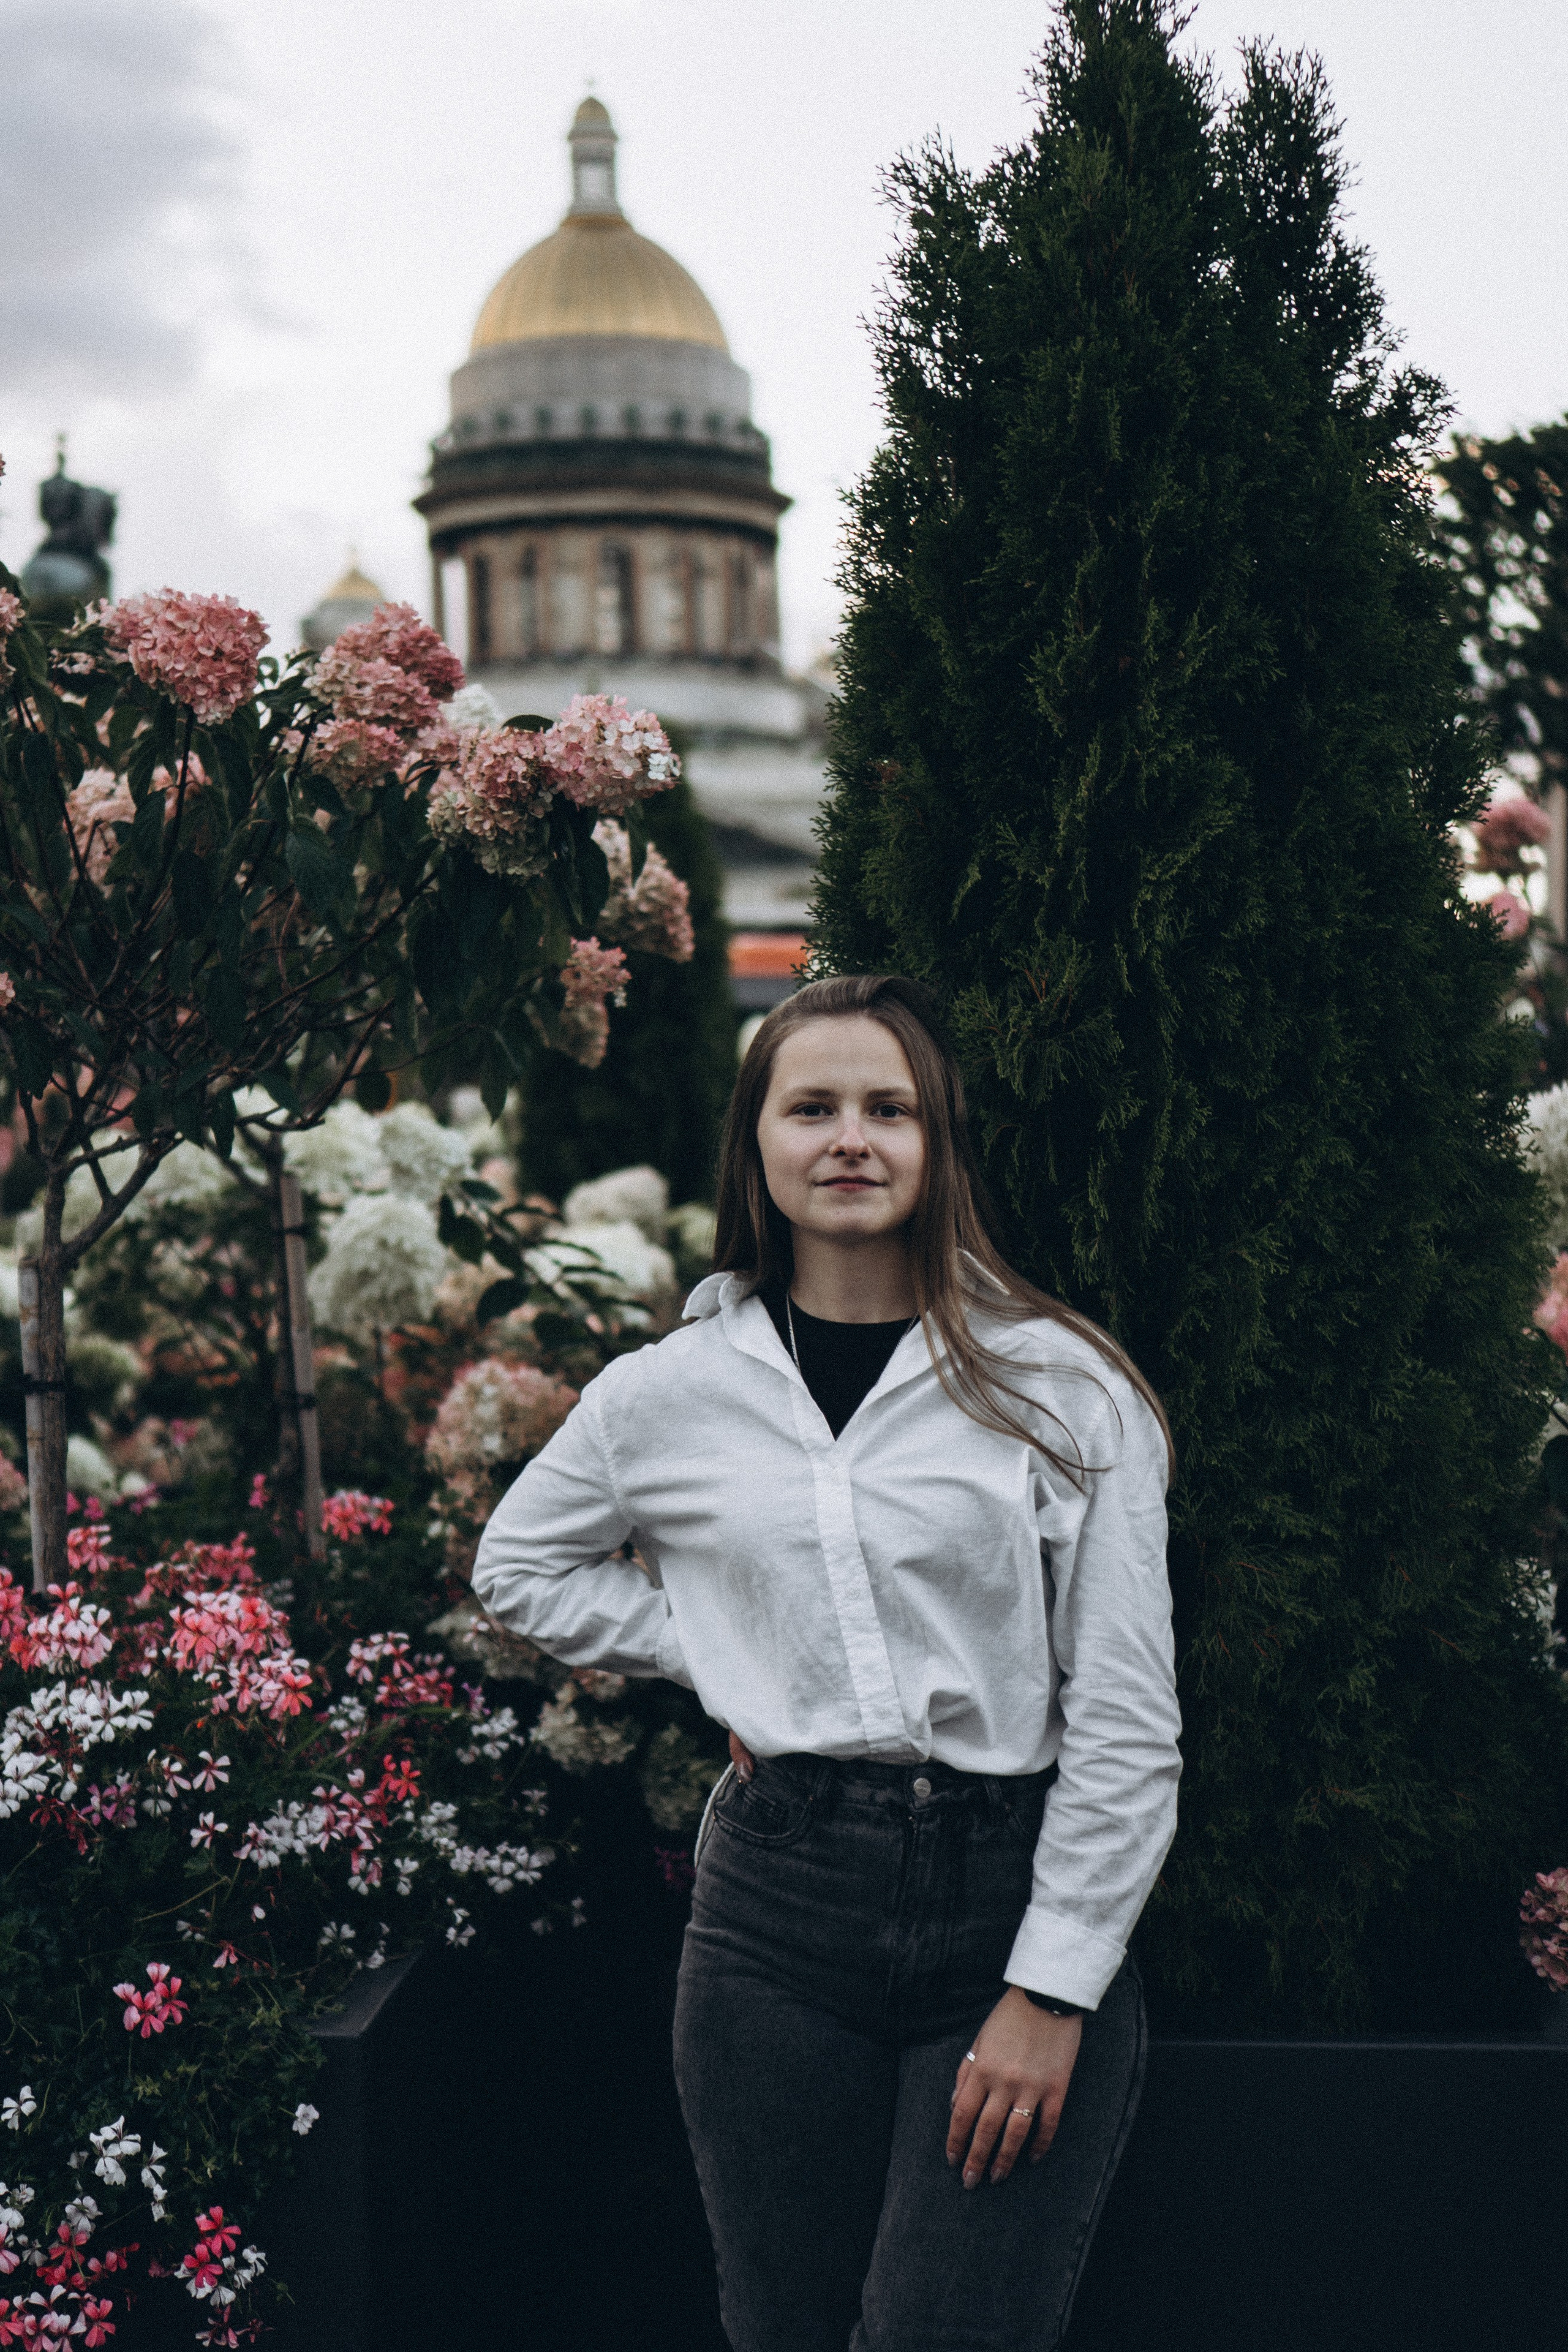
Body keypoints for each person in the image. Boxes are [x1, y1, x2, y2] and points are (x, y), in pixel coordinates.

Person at [473, 973, 1182, 2352]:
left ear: (938, 1148)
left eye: (888, 1109)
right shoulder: (668, 1393)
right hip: (772, 1928)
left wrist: (1050, 1992)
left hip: (1007, 1910)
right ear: (755, 1147)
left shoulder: (1059, 1388)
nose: (850, 1138)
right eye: (812, 1108)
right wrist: (737, 1655)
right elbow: (519, 1569)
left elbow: (1125, 1719)